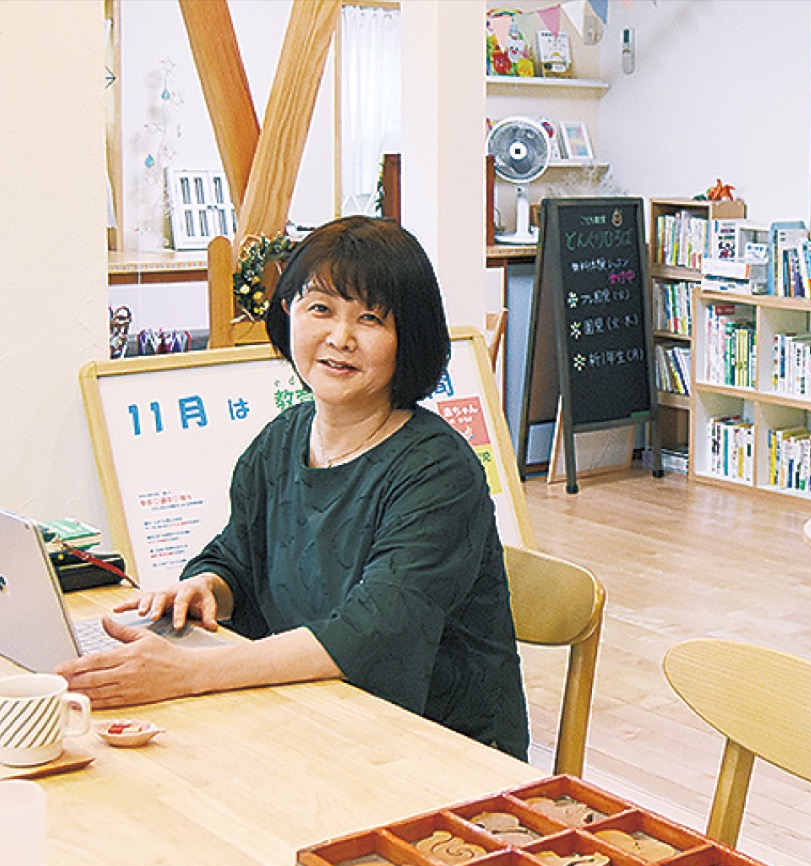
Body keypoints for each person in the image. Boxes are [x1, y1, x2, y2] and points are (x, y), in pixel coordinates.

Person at [57, 217, 530, 759]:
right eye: (320, 308)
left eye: (370, 318)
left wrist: (188, 671)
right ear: (289, 313)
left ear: (409, 336)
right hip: (312, 716)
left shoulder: (438, 471)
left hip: (438, 750)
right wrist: (207, 587)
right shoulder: (284, 439)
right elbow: (239, 557)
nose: (340, 338)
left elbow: (372, 634)